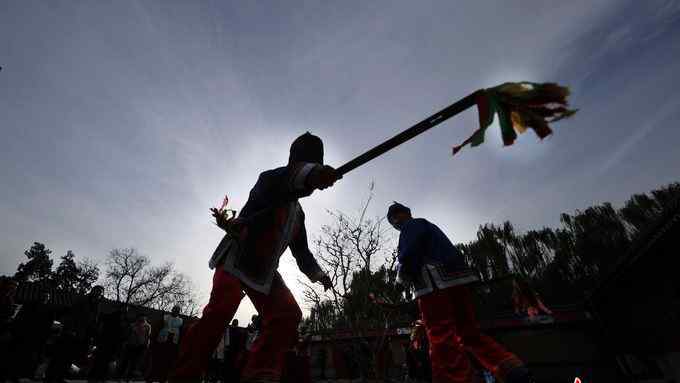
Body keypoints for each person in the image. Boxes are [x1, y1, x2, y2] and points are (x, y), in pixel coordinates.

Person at [171, 132, 338, 383]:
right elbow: (290, 180)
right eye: (308, 165)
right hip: (237, 258)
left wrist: (319, 275)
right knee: (218, 314)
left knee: (287, 314)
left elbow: (302, 253)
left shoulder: (298, 216)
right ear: (297, 163)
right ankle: (183, 376)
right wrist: (313, 174)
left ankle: (260, 373)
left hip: (265, 271)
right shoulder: (271, 180)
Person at [387, 202, 534, 383]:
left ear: (403, 215)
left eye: (394, 219)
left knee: (441, 337)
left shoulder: (411, 226)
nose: (395, 224)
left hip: (434, 285)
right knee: (469, 333)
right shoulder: (431, 228)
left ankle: (457, 379)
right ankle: (511, 369)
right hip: (458, 282)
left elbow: (409, 255)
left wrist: (400, 280)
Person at [45, 285, 104, 383]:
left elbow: (93, 322)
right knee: (61, 356)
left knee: (70, 357)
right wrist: (71, 329)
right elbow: (73, 314)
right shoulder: (83, 300)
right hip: (71, 332)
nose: (99, 294)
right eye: (97, 291)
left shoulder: (97, 306)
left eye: (100, 293)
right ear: (93, 291)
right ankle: (50, 376)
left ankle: (60, 376)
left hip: (82, 335)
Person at [146, 306, 184, 383]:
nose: (176, 311)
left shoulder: (181, 321)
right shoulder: (165, 317)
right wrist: (153, 340)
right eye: (175, 309)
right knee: (156, 361)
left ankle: (163, 379)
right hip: (161, 343)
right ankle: (151, 378)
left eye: (178, 310)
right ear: (172, 310)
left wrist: (179, 346)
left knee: (167, 363)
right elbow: (157, 328)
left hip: (173, 344)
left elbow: (182, 333)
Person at [119, 314, 152, 382]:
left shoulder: (148, 326)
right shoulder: (132, 325)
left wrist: (146, 345)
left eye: (143, 317)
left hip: (140, 346)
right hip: (131, 344)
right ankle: (120, 375)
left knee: (134, 362)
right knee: (126, 360)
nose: (142, 318)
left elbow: (148, 336)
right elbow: (128, 334)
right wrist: (126, 342)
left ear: (145, 318)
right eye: (141, 317)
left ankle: (129, 377)